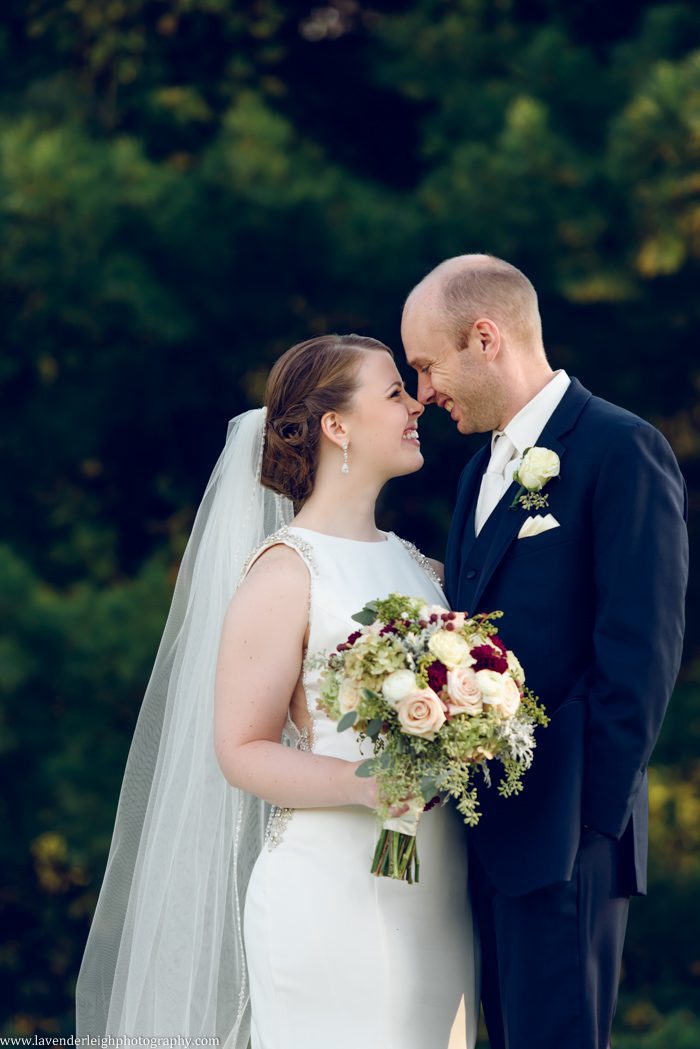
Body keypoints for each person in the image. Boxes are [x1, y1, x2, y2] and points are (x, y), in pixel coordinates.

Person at [76, 333, 477, 1049]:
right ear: (336, 425)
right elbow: (242, 748)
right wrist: (371, 782)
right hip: (333, 894)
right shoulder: (287, 573)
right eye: (393, 393)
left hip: (438, 889)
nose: (417, 405)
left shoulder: (424, 570)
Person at [401, 254, 689, 1049]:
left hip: (567, 838)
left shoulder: (620, 448)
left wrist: (585, 826)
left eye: (427, 366)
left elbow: (642, 652)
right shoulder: (477, 474)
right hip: (485, 837)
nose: (424, 392)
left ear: (484, 337)